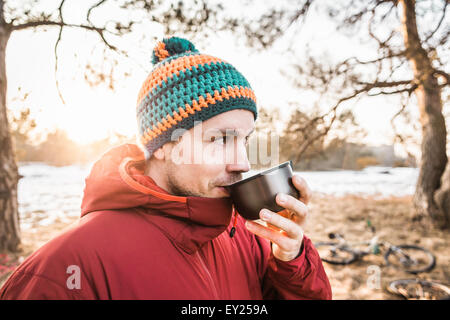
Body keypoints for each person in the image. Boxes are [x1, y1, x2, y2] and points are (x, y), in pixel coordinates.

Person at [0, 37, 332, 300]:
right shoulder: (64, 268)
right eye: (219, 139)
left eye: (244, 140)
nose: (242, 162)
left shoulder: (249, 237)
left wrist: (290, 260)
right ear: (164, 147)